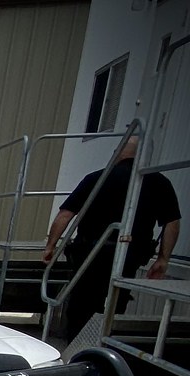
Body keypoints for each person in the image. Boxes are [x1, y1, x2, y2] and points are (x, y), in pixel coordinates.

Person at [42, 136, 181, 341]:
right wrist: (163, 259)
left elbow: (65, 215)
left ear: (118, 151)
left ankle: (76, 348)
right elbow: (172, 223)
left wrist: (50, 246)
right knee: (117, 300)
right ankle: (108, 345)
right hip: (130, 255)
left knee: (83, 301)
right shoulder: (159, 182)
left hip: (91, 252)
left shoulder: (96, 178)